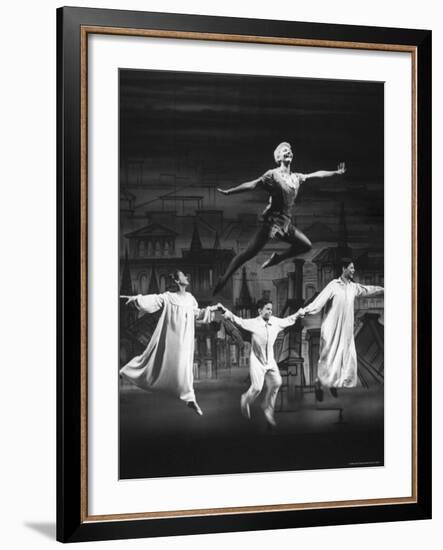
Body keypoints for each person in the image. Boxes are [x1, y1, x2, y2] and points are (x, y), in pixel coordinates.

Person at [213, 142, 346, 295]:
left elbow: (316, 174)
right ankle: (224, 279)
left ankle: (277, 258)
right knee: (248, 254)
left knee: (306, 245)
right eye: (284, 151)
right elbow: (252, 184)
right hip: (270, 224)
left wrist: (336, 172)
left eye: (290, 151)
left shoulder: (296, 177)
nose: (288, 152)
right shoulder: (272, 175)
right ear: (278, 157)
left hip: (285, 224)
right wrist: (230, 192)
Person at [120, 270, 219, 416]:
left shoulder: (190, 298)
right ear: (178, 281)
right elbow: (152, 300)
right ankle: (128, 372)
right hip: (172, 337)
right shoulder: (168, 297)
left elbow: (197, 314)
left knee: (185, 367)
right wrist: (136, 299)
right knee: (157, 360)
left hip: (185, 339)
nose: (187, 276)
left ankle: (190, 398)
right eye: (184, 275)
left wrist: (211, 310)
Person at [299, 258, 384, 401]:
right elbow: (318, 302)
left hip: (345, 330)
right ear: (343, 268)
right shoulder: (333, 285)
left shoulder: (353, 287)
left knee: (346, 356)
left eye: (354, 268)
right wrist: (304, 311)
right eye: (351, 268)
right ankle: (319, 384)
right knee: (328, 357)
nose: (353, 270)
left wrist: (383, 289)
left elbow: (367, 290)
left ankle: (334, 384)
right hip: (331, 329)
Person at [220, 299, 303, 427]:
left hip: (270, 360)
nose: (270, 311)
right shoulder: (253, 323)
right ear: (260, 311)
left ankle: (268, 409)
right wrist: (226, 312)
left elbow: (288, 320)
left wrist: (298, 314)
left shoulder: (275, 322)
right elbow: (238, 320)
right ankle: (245, 400)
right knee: (257, 388)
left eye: (271, 309)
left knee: (277, 382)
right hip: (257, 360)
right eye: (267, 309)